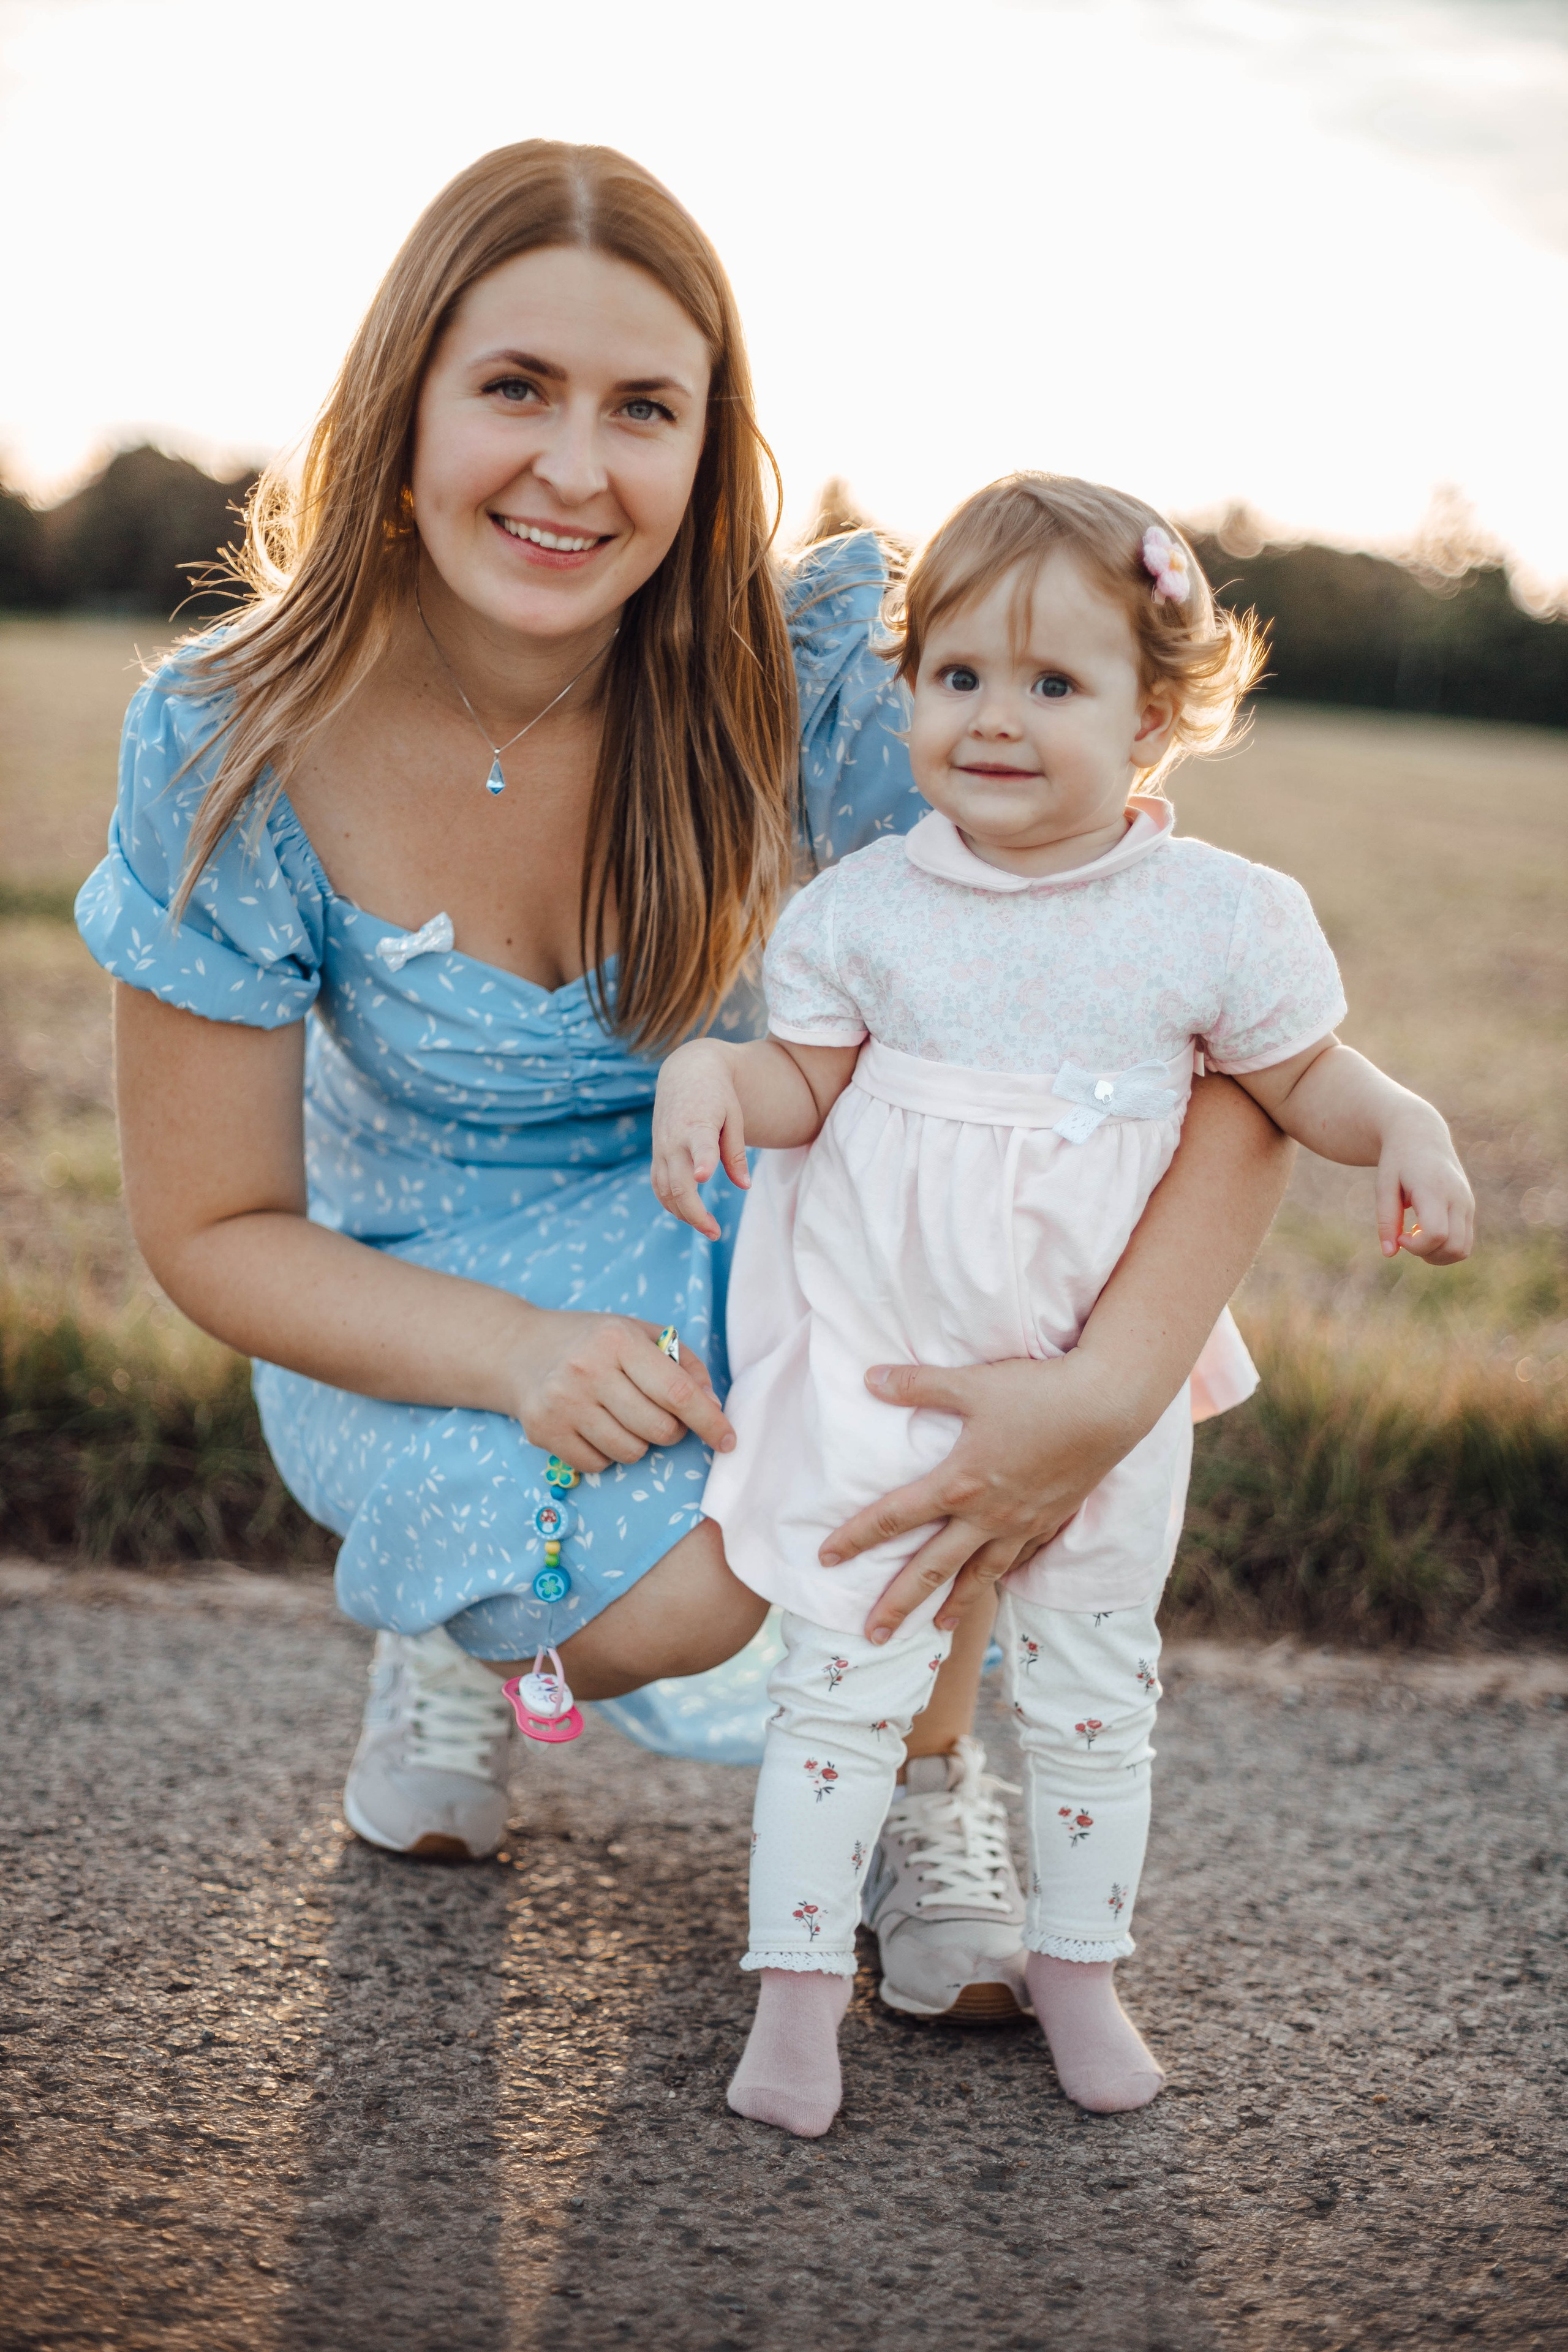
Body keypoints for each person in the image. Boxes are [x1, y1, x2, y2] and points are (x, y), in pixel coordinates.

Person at [77, 144, 1292, 2027]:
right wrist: (509, 1357)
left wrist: (1099, 1394)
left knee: (978, 1287)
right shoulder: (236, 739)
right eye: (515, 389)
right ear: (400, 405)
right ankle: (447, 1637)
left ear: (710, 447)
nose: (577, 468)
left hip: (745, 1205)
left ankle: (919, 1776)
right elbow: (210, 1225)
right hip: (414, 1279)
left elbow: (1200, 1051)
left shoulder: (808, 677)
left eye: (641, 407)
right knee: (672, 1601)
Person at [652, 472, 1474, 2136]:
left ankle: (1081, 1965)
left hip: (1111, 1385)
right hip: (895, 1369)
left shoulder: (1218, 919)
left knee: (1097, 1683)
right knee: (845, 1687)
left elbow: (1299, 1074)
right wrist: (718, 1072)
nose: (995, 720)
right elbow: (804, 1080)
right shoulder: (868, 907)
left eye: (1053, 683)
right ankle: (797, 1995)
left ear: (1156, 712)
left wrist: (1401, 1122)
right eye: (956, 677)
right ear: (907, 693)